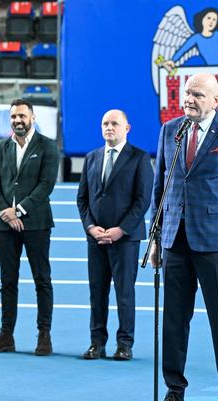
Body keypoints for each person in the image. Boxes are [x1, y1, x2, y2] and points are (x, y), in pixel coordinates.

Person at [150, 73, 218, 401]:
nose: (189, 99)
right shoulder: (171, 131)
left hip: (216, 242)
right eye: (186, 93)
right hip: (175, 240)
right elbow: (160, 187)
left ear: (215, 99)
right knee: (174, 322)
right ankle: (174, 394)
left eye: (197, 94)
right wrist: (155, 239)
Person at [0, 99, 59, 356]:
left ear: (33, 118)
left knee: (42, 280)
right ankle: (6, 335)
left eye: (22, 116)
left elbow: (46, 185)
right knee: (7, 281)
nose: (17, 120)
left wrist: (20, 210)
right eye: (13, 116)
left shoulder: (47, 146)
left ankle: (44, 335)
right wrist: (6, 213)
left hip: (36, 223)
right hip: (5, 225)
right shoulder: (2, 147)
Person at [76, 109, 153, 361]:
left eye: (114, 123)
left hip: (125, 239)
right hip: (95, 238)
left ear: (126, 128)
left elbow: (142, 200)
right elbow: (83, 199)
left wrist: (121, 230)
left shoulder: (139, 158)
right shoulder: (91, 158)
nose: (109, 127)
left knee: (124, 292)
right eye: (105, 123)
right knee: (97, 292)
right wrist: (90, 227)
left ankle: (125, 344)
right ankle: (96, 343)